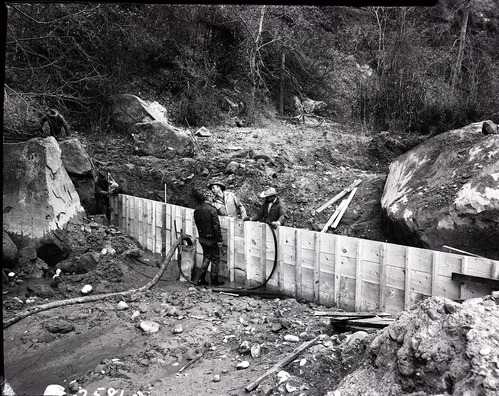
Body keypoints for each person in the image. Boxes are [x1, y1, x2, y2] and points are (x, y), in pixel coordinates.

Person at [192, 188, 225, 286]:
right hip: (212, 239)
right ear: (210, 199)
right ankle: (214, 281)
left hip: (202, 238)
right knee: (215, 259)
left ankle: (201, 279)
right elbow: (216, 227)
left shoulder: (197, 209)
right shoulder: (212, 210)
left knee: (206, 257)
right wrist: (219, 240)